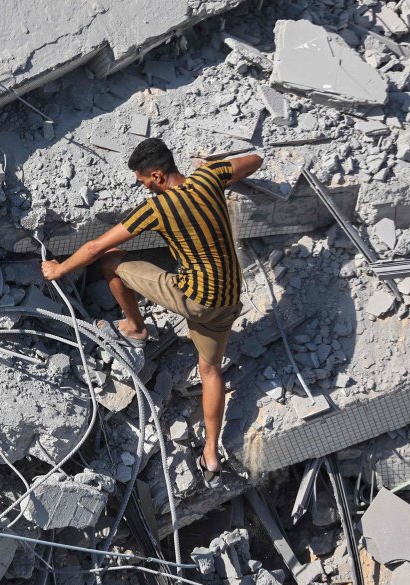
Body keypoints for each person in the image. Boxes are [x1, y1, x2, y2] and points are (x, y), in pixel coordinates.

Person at [40, 138, 262, 484]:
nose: (142, 186)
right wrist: (212, 170)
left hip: (195, 299)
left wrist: (59, 269)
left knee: (112, 262)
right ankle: (211, 455)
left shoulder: (159, 208)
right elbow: (255, 159)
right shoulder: (209, 178)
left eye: (143, 180)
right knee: (210, 371)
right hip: (229, 299)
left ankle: (135, 326)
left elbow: (98, 245)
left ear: (157, 176)